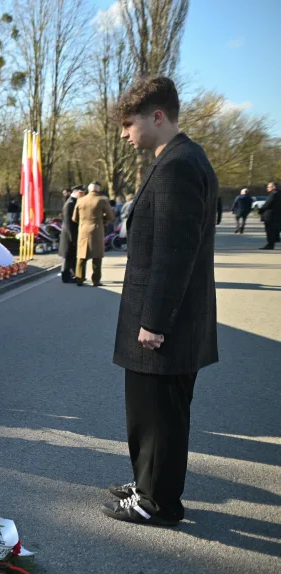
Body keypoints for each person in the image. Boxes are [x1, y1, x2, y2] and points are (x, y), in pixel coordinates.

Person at [106, 75, 218, 526]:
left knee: (161, 415)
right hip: (165, 318)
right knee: (150, 411)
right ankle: (148, 482)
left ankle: (158, 503)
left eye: (129, 125)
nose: (124, 134)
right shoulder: (176, 157)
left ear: (157, 116)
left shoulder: (178, 165)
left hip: (162, 324)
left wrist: (153, 321)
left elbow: (174, 253)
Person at [72, 182, 114, 286]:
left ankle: (79, 278)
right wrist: (101, 220)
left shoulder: (80, 200)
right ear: (98, 189)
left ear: (89, 190)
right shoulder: (102, 200)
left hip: (83, 230)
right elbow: (110, 216)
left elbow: (74, 218)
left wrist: (82, 223)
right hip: (97, 229)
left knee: (81, 255)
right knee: (97, 256)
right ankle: (96, 280)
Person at [58, 185, 85, 283]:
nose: (83, 195)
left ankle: (72, 275)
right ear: (77, 192)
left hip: (71, 234)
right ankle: (65, 276)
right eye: (81, 193)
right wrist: (73, 238)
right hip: (69, 235)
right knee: (67, 256)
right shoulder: (70, 204)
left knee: (71, 256)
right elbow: (69, 224)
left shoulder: (73, 202)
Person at [259, 181, 278, 249]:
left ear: (273, 187)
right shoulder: (278, 193)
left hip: (270, 215)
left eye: (268, 187)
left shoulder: (273, 194)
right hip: (276, 215)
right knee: (274, 230)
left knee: (269, 231)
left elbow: (267, 204)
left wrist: (260, 210)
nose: (267, 188)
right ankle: (273, 242)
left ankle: (270, 244)